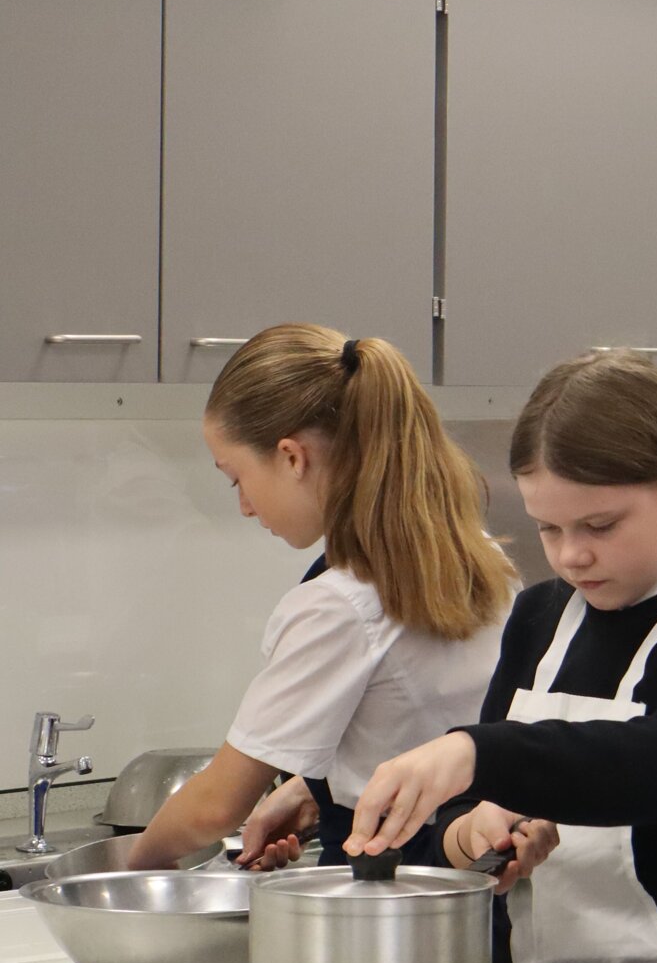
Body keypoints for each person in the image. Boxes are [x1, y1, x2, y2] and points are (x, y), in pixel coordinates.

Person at [343, 351, 657, 963]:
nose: (572, 555)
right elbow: (465, 819)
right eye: (548, 528)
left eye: (600, 525)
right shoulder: (542, 615)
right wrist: (474, 838)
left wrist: (476, 752)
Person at [129, 325, 532, 878]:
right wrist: (311, 788)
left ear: (292, 457)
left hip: (392, 898)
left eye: (236, 479)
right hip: (479, 885)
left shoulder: (338, 606)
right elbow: (419, 726)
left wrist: (131, 871)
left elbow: (216, 806)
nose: (245, 505)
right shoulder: (479, 559)